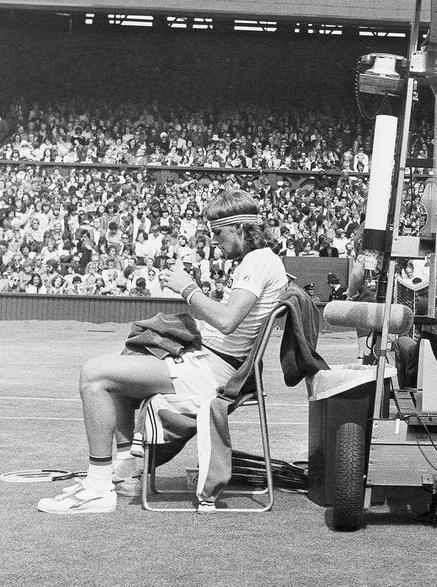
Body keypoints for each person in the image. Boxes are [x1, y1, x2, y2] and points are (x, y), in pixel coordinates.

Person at [37, 189, 286, 514]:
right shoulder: (256, 261)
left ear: (239, 228)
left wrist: (188, 289)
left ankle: (98, 487)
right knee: (125, 364)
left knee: (93, 374)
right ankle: (126, 469)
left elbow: (227, 321)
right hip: (207, 360)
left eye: (217, 233)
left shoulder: (259, 260)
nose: (213, 242)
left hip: (213, 372)